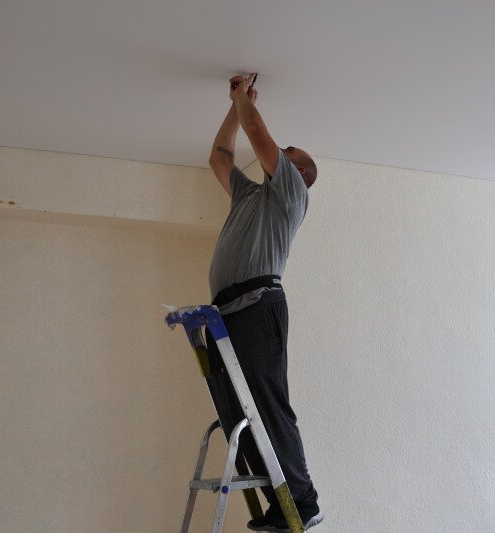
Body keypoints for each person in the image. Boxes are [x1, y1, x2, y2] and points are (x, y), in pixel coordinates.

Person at [205, 73, 322, 532]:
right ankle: (278, 500)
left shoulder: (291, 194)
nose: (277, 151)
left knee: (267, 404)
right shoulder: (250, 195)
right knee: (238, 411)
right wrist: (233, 109)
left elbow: (256, 131)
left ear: (298, 173)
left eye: (287, 153)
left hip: (257, 305)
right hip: (226, 315)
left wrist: (242, 99)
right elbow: (219, 157)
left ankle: (304, 501)